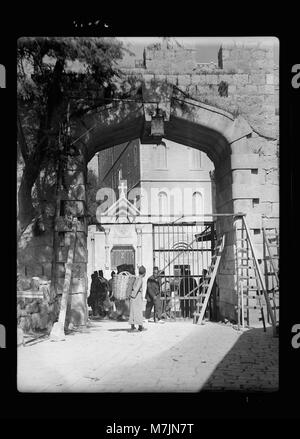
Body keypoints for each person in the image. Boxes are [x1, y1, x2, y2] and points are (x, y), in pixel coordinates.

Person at [129, 265, 147, 332]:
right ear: (144, 273)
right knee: (136, 312)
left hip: (135, 298)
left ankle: (140, 326)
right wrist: (132, 296)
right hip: (136, 298)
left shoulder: (137, 278)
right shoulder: (140, 279)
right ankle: (133, 327)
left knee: (137, 312)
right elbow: (136, 289)